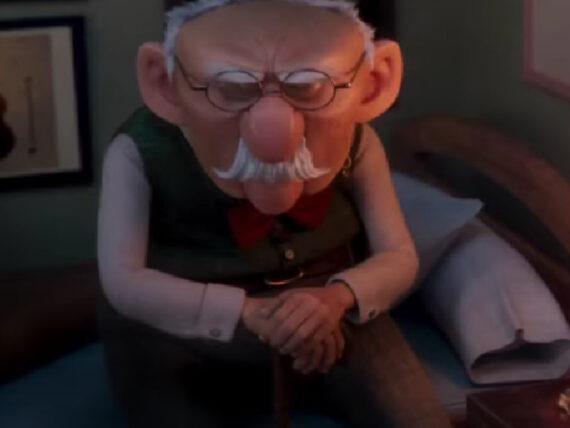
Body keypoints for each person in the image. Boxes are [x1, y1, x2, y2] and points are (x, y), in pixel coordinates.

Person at [97, 0, 453, 427]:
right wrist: (246, 312)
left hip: (329, 313)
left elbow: (398, 255)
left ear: (374, 84)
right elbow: (124, 281)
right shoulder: (139, 151)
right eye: (231, 88)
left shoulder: (359, 144)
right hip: (180, 324)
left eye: (310, 86)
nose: (274, 134)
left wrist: (335, 299)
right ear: (165, 84)